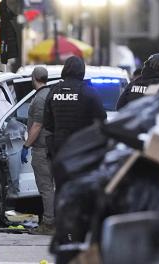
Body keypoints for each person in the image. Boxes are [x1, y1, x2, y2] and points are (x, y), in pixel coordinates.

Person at [44, 56, 106, 189]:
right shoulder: (88, 91)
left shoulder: (54, 90)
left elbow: (47, 123)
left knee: (60, 187)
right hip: (81, 147)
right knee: (81, 187)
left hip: (59, 148)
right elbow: (102, 119)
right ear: (82, 71)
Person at [20, 66, 55, 235]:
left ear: (34, 78)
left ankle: (48, 223)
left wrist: (26, 145)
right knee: (51, 187)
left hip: (42, 148)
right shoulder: (49, 94)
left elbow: (37, 125)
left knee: (45, 187)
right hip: (51, 147)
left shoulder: (40, 98)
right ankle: (52, 220)